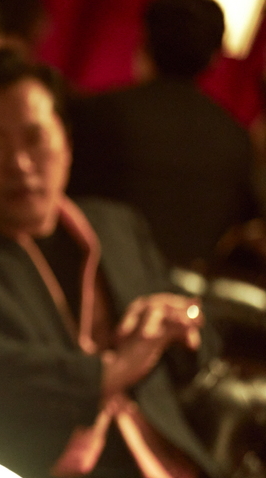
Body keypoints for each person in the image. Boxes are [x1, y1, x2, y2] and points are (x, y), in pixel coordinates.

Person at [0, 49, 230, 478]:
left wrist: (185, 320)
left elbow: (203, 338)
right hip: (48, 477)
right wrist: (108, 372)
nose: (20, 164)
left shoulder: (117, 225)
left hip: (174, 472)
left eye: (35, 138)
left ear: (66, 140)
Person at [68, 0, 261, 274]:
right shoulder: (236, 140)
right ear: (215, 58)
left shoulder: (97, 113)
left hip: (89, 279)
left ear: (145, 40)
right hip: (183, 295)